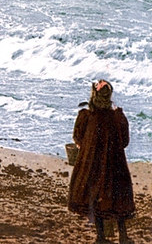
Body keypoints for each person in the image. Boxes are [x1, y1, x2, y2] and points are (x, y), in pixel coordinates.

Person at [68, 80, 135, 244]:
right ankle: (124, 237)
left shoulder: (86, 116)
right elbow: (125, 141)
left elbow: (78, 138)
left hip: (93, 164)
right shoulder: (118, 117)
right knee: (119, 199)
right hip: (115, 164)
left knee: (95, 197)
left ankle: (100, 237)